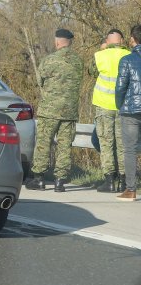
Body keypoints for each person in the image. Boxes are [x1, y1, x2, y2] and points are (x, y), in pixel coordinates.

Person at [25, 28, 84, 192]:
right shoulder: (78, 61)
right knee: (65, 145)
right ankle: (60, 181)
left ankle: (39, 179)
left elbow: (40, 81)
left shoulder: (49, 60)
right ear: (69, 41)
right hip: (69, 111)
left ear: (57, 41)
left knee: (44, 143)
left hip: (50, 110)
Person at [90, 29, 131, 193]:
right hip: (123, 106)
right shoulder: (129, 55)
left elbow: (91, 72)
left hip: (104, 105)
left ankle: (109, 181)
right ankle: (123, 181)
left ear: (107, 41)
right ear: (121, 41)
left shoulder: (100, 56)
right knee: (123, 144)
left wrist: (102, 50)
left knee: (106, 143)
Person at [114, 24, 141, 201]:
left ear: (132, 39)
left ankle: (131, 190)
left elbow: (120, 87)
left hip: (131, 111)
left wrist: (120, 105)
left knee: (130, 150)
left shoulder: (127, 60)